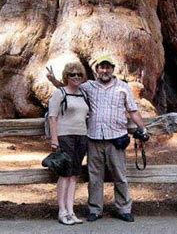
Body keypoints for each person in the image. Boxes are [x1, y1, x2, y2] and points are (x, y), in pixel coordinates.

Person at [47, 54, 149, 223]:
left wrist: (142, 128)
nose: (105, 70)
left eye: (108, 67)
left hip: (116, 138)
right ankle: (95, 209)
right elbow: (69, 87)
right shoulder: (88, 87)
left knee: (120, 176)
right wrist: (54, 81)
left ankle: (123, 208)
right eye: (101, 67)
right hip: (93, 138)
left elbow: (133, 110)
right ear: (96, 70)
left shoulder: (123, 87)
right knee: (95, 177)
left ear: (113, 69)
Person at [48, 62, 90, 225]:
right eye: (72, 74)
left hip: (81, 136)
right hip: (65, 136)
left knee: (74, 175)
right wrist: (54, 139)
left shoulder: (83, 94)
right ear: (66, 76)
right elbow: (53, 117)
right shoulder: (59, 93)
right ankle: (62, 211)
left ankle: (71, 211)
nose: (76, 77)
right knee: (65, 174)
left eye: (79, 74)